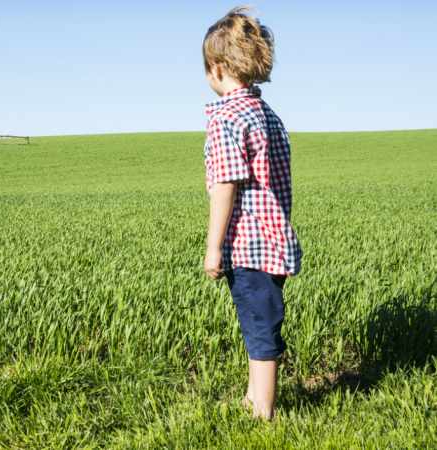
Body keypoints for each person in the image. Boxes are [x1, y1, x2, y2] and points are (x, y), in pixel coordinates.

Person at [201, 6, 303, 420]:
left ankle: (263, 411)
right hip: (275, 242)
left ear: (219, 67)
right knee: (261, 318)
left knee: (260, 328)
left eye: (207, 69)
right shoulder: (267, 115)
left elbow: (225, 186)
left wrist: (213, 249)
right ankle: (252, 397)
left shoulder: (227, 117)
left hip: (248, 246)